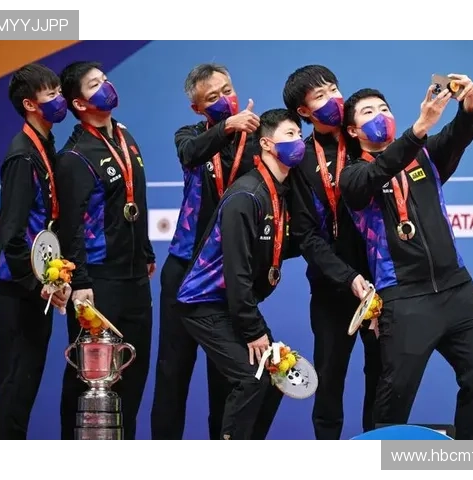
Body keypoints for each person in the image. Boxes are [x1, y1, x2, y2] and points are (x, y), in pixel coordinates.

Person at [340, 77, 473, 440]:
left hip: (458, 291)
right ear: (352, 130)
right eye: (368, 112)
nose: (380, 115)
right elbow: (379, 171)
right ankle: (378, 460)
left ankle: (469, 458)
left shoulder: (425, 156)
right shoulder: (353, 176)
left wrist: (469, 105)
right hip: (405, 299)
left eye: (384, 108)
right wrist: (420, 127)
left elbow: (459, 133)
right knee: (394, 400)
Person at [175, 108, 304, 440]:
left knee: (275, 375)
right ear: (267, 144)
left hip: (230, 304)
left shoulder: (278, 192)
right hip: (203, 304)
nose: (298, 141)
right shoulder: (246, 195)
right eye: (290, 134)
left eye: (300, 135)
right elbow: (237, 271)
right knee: (252, 378)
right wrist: (252, 330)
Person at [151, 64, 260, 440]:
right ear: (198, 108)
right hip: (184, 271)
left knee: (228, 377)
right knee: (172, 371)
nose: (225, 99)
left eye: (227, 90)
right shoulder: (190, 136)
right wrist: (228, 125)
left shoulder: (257, 139)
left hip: (227, 275)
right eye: (213, 97)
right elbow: (190, 154)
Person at [55, 61, 156, 440]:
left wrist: (145, 251)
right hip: (98, 283)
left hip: (135, 279)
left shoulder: (125, 137)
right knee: (90, 375)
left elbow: (134, 200)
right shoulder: (75, 156)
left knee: (133, 372)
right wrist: (80, 282)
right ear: (79, 104)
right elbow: (71, 226)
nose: (106, 87)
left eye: (105, 80)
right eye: (94, 84)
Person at [282, 64, 381, 439]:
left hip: (382, 284)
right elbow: (306, 236)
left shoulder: (363, 139)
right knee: (329, 378)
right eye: (320, 95)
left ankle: (377, 450)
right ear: (303, 111)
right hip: (332, 288)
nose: (333, 99)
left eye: (334, 89)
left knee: (383, 377)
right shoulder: (300, 159)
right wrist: (346, 277)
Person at [0, 63, 71, 439]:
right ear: (29, 104)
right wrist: (35, 282)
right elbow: (12, 234)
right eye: (51, 94)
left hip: (38, 282)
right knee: (15, 386)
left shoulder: (45, 145)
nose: (60, 100)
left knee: (25, 385)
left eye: (59, 91)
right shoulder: (22, 155)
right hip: (20, 286)